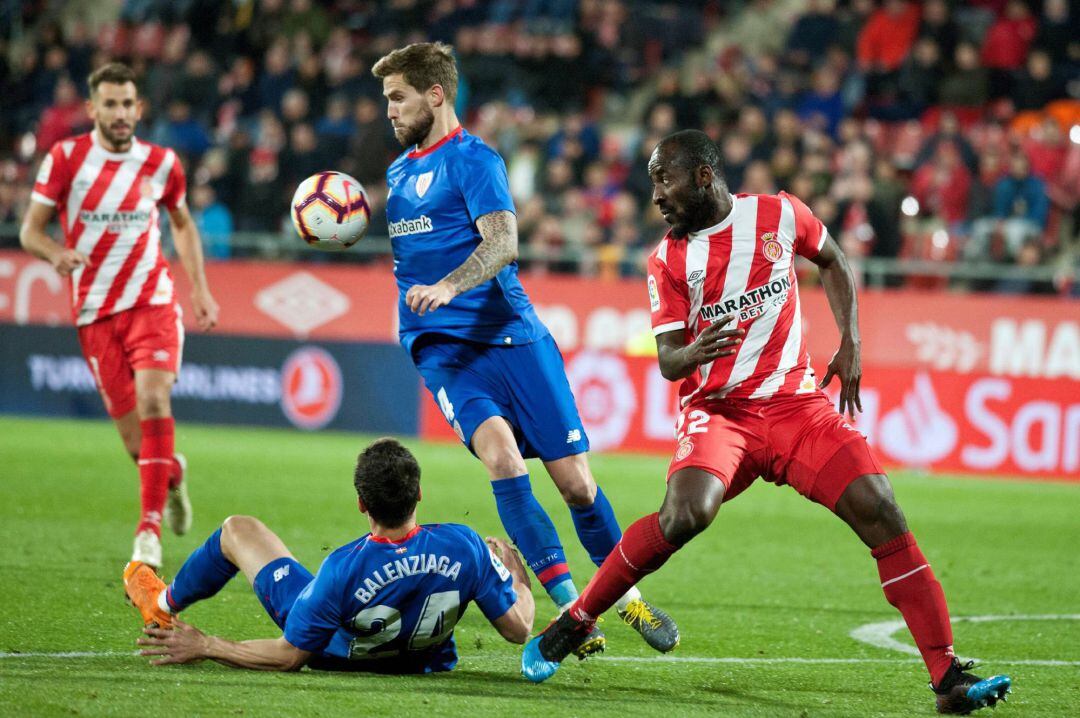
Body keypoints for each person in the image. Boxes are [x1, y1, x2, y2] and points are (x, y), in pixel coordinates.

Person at [521, 131, 1013, 715]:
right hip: (720, 414)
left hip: (796, 410)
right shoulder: (668, 259)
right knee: (685, 514)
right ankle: (576, 620)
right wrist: (696, 349)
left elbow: (833, 259)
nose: (655, 195)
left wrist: (850, 340)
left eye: (664, 180)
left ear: (703, 177)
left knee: (881, 508)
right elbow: (668, 360)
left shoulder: (780, 215)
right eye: (652, 181)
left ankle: (947, 676)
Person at [371, 41, 677, 655]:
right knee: (504, 462)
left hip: (512, 337)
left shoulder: (475, 160)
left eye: (398, 97)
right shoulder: (397, 174)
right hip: (445, 352)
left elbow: (504, 243)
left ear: (436, 95)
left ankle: (627, 601)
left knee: (578, 488)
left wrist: (450, 286)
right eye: (386, 101)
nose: (390, 111)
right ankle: (570, 611)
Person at [19, 62, 219, 570]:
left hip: (152, 302)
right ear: (92, 109)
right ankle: (172, 475)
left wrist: (199, 290)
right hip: (94, 312)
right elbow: (30, 231)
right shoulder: (64, 159)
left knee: (155, 400)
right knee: (138, 445)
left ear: (139, 107)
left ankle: (147, 533)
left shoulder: (161, 163)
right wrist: (54, 254)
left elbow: (183, 225)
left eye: (128, 103)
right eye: (110, 104)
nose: (120, 112)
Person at [125, 438, 535, 673]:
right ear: (420, 494)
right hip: (422, 665)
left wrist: (208, 644)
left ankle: (160, 603)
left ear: (361, 503)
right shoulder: (466, 546)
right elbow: (520, 629)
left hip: (333, 652)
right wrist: (517, 578)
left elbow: (289, 656)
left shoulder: (342, 567)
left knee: (237, 529)